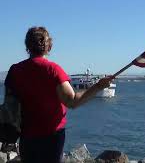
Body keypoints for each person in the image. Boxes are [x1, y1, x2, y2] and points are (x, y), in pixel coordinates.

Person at [4, 26, 113, 163]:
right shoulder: (53, 70)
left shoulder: (14, 71)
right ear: (49, 47)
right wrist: (98, 86)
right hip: (52, 137)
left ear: (27, 46)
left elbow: (10, 103)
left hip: (26, 135)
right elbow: (72, 101)